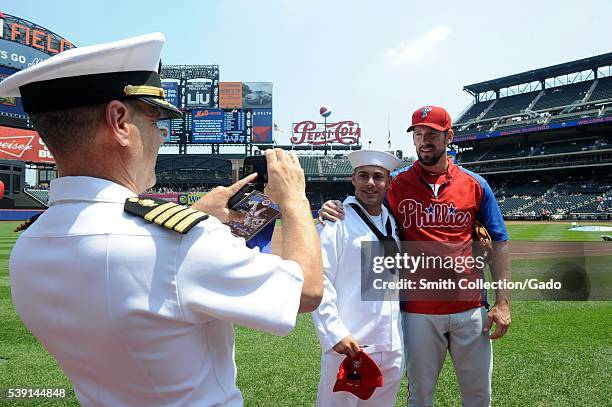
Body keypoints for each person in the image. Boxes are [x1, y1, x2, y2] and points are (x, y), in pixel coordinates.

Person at [3, 33, 322, 406]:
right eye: (153, 118)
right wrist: (294, 198)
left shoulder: (29, 244)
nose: (162, 135)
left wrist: (192, 218)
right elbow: (306, 291)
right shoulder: (179, 244)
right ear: (119, 121)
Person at [319, 106, 510, 407]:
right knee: (419, 396)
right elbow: (366, 198)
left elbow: (499, 241)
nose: (424, 141)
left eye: (432, 134)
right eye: (419, 134)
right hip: (419, 311)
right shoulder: (396, 183)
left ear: (449, 136)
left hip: (470, 306)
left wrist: (502, 302)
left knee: (479, 396)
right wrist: (331, 207)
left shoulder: (476, 185)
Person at [312, 150, 404, 406]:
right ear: (353, 179)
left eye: (378, 177)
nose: (370, 183)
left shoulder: (392, 223)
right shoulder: (337, 221)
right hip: (350, 345)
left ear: (389, 182)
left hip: (392, 345)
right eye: (363, 176)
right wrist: (335, 333)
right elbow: (321, 279)